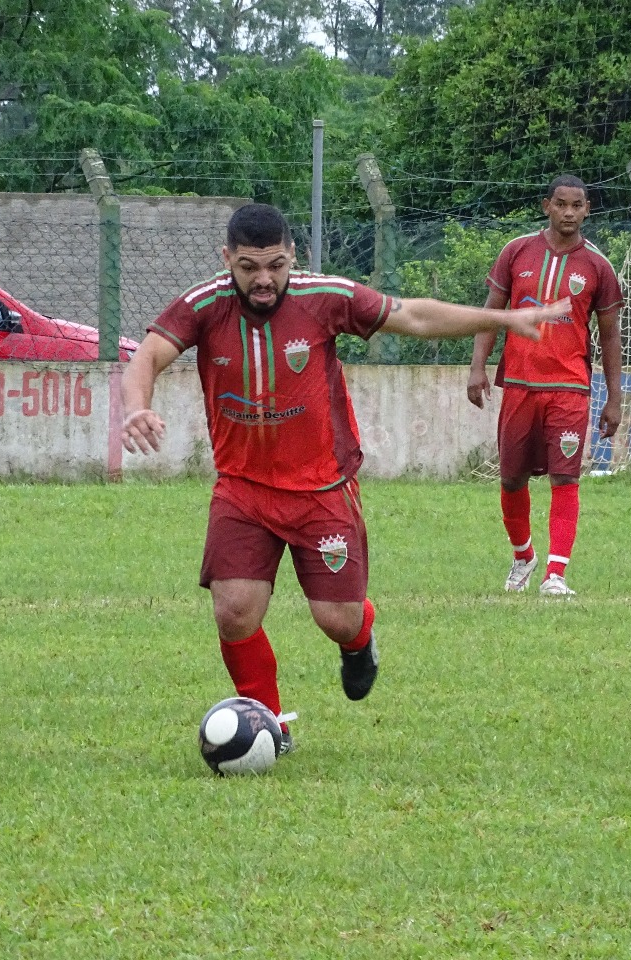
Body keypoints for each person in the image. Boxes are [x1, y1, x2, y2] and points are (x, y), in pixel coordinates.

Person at [122, 203, 571, 753]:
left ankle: (360, 639)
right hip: (242, 488)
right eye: (248, 267)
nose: (264, 279)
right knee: (234, 611)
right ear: (227, 260)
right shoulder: (203, 304)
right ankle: (270, 726)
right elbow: (145, 358)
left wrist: (503, 321)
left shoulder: (325, 297)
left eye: (276, 265)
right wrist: (136, 406)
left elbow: (415, 317)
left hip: (323, 489)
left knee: (337, 619)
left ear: (294, 256)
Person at [467, 175, 624, 597]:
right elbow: (489, 314)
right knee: (511, 480)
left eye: (577, 205)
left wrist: (614, 396)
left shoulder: (598, 266)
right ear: (546, 206)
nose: (569, 212)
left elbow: (610, 335)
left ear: (587, 209)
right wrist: (477, 367)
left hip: (570, 388)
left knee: (565, 478)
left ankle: (556, 574)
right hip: (518, 383)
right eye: (561, 204)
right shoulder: (516, 252)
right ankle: (524, 557)